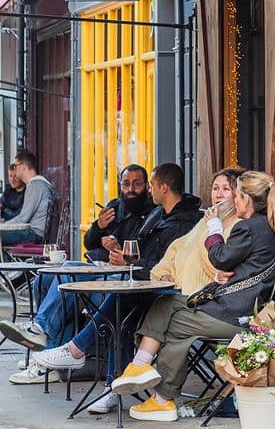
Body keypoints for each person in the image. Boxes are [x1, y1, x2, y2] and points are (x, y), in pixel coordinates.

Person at [111, 170, 275, 423]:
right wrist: (219, 278)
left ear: (247, 199)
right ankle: (149, 380)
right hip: (236, 307)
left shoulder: (248, 228)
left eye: (237, 195)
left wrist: (214, 228)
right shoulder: (265, 226)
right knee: (167, 305)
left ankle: (157, 391)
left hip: (233, 316)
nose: (234, 201)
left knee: (173, 322)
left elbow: (219, 257)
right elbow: (242, 267)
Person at [78, 167, 243, 416]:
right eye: (215, 188)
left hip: (207, 302)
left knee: (149, 310)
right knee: (128, 303)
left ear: (238, 195)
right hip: (180, 292)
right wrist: (164, 272)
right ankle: (130, 376)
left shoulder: (231, 226)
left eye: (225, 189)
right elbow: (176, 252)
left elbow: (217, 264)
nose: (218, 194)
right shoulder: (206, 220)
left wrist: (213, 230)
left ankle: (144, 385)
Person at [33, 164, 202, 380]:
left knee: (118, 301)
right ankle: (44, 332)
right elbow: (94, 247)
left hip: (148, 283)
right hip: (126, 272)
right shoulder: (153, 213)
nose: (144, 189)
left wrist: (128, 260)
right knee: (60, 272)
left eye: (146, 184)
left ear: (164, 188)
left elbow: (168, 266)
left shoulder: (177, 221)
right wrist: (99, 230)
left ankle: (83, 362)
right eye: (126, 183)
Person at [0, 164, 154, 371]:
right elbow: (89, 244)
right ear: (120, 185)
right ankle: (48, 348)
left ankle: (43, 341)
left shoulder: (151, 213)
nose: (131, 189)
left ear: (147, 186)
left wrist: (118, 250)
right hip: (101, 267)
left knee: (69, 276)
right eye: (126, 184)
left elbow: (143, 252)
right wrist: (98, 226)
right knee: (43, 280)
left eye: (137, 184)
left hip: (124, 277)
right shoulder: (114, 207)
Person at [0, 152, 53, 248]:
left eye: (16, 166)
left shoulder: (35, 185)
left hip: (35, 234)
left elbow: (23, 218)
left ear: (23, 167)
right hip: (35, 233)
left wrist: (4, 225)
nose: (15, 170)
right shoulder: (39, 184)